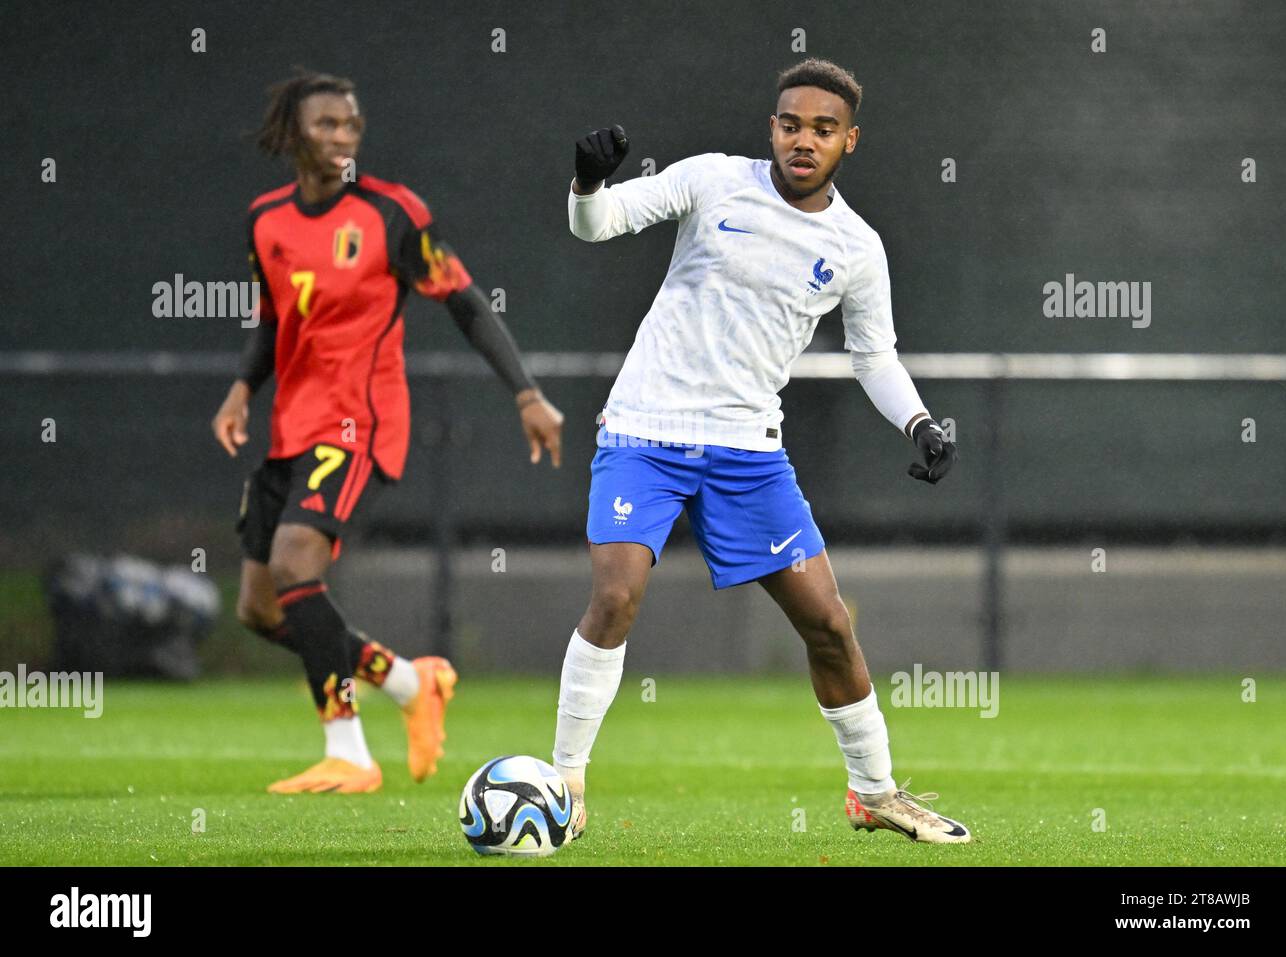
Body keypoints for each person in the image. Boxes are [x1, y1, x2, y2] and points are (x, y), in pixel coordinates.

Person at [554, 58, 969, 842]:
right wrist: (585, 184)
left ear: (851, 140)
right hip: (646, 430)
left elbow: (873, 356)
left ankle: (875, 792)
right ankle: (566, 784)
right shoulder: (712, 180)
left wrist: (918, 422)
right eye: (790, 123)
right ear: (771, 127)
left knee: (829, 623)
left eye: (823, 128)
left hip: (747, 451)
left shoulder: (856, 246)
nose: (802, 139)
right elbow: (599, 225)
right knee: (615, 596)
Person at [211, 69, 564, 794]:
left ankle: (349, 751)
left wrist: (527, 393)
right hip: (290, 428)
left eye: (351, 124)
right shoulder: (265, 221)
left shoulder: (392, 215)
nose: (343, 137)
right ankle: (410, 683)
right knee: (258, 606)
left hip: (359, 421)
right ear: (291, 135)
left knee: (295, 563)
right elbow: (276, 319)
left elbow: (465, 302)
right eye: (326, 125)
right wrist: (242, 390)